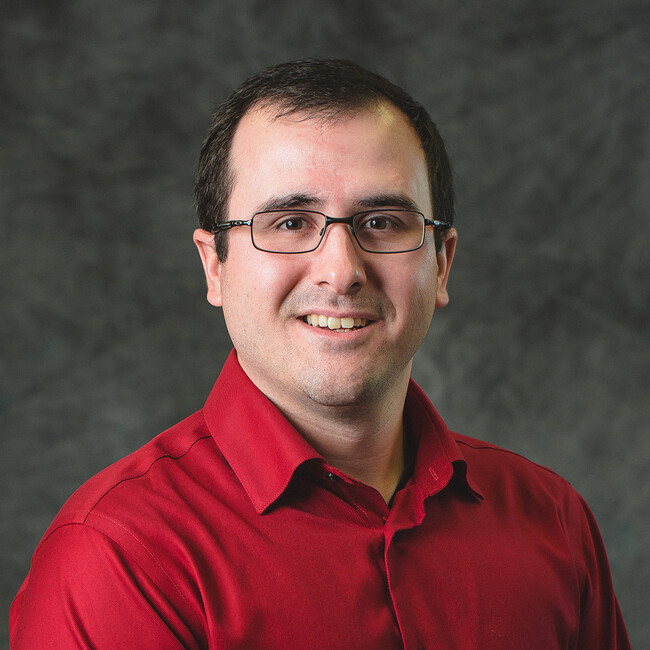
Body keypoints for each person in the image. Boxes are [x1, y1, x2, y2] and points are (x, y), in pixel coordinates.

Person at [10, 59, 630, 649]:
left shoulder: (552, 521)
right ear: (214, 265)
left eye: (383, 221)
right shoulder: (120, 556)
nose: (341, 270)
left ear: (441, 264)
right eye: (288, 223)